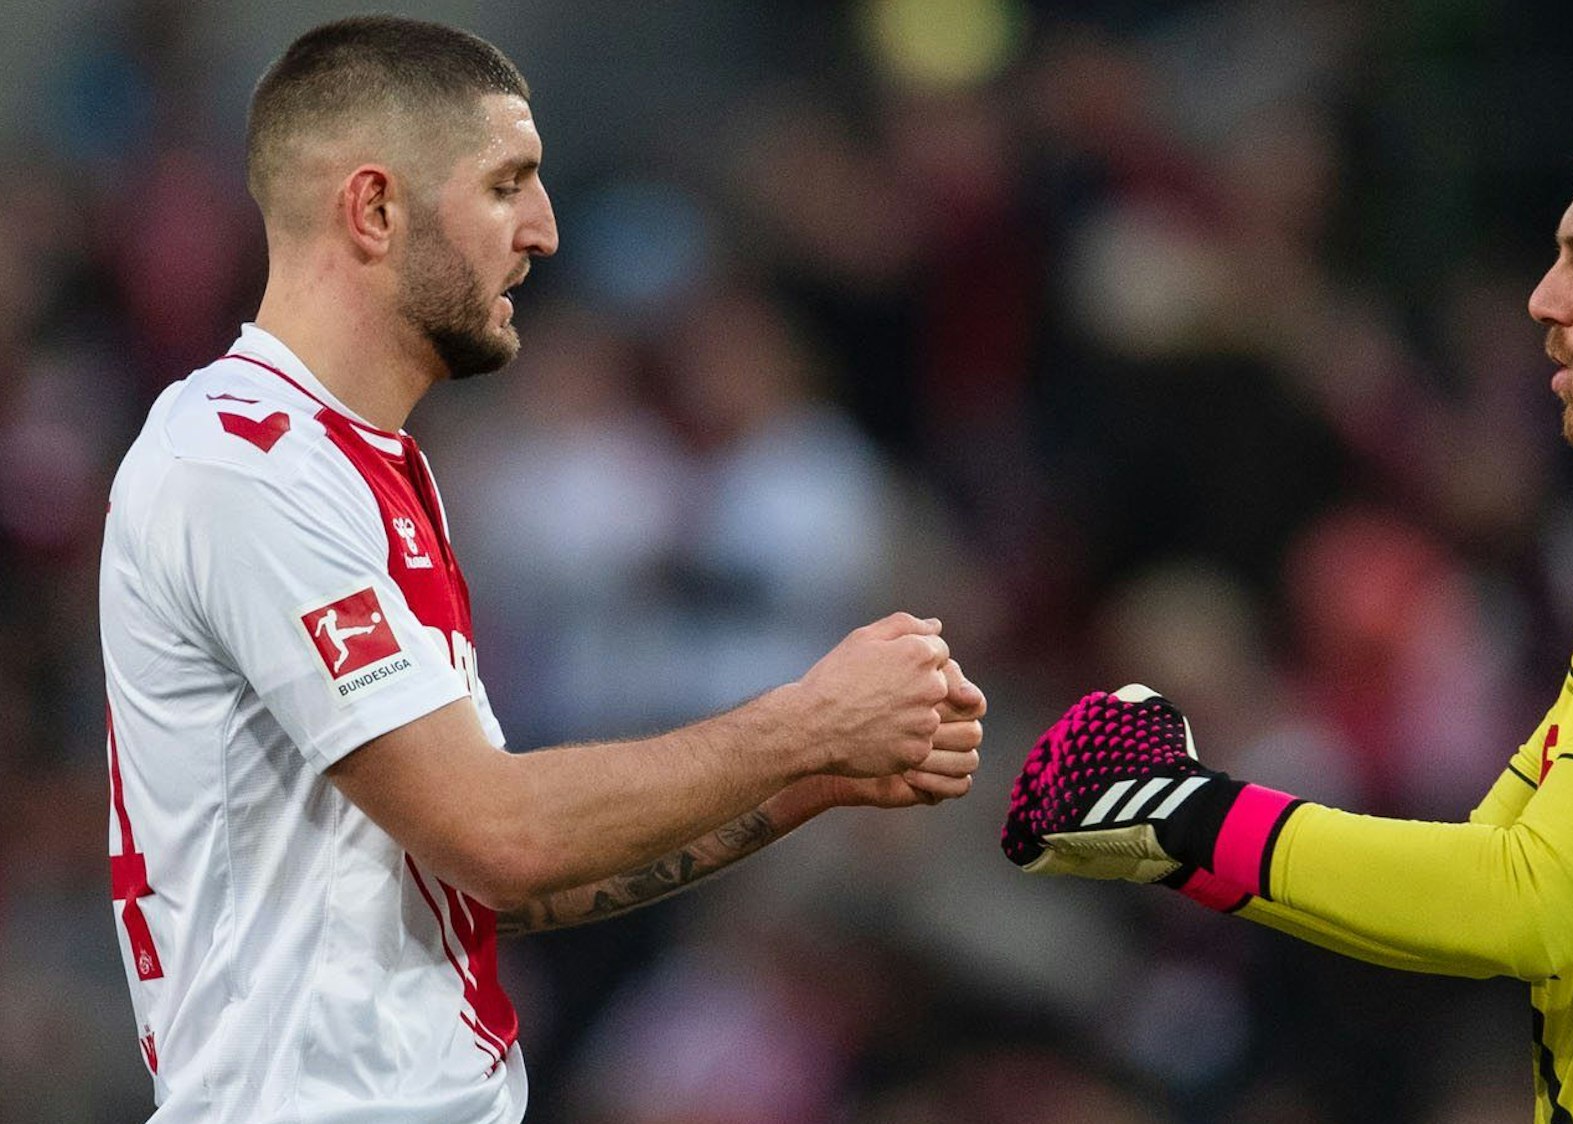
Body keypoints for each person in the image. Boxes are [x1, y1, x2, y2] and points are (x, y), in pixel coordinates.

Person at [98, 16, 984, 1123]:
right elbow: (502, 836)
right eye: (506, 184)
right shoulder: (247, 466)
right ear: (375, 210)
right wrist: (804, 723)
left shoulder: (356, 470)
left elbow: (484, 878)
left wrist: (816, 773)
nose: (545, 231)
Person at [1004, 90, 1573, 1123]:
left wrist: (1181, 814)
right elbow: (1474, 875)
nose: (1544, 299)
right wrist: (1183, 828)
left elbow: (1528, 899)